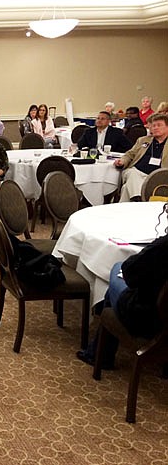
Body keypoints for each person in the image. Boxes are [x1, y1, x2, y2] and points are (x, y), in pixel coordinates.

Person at [76, 203, 168, 369]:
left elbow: (130, 273)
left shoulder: (163, 247)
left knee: (117, 270)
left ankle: (99, 355)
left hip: (149, 319)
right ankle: (98, 353)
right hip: (158, 312)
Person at [114, 113, 168, 202]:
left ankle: (133, 203)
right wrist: (122, 161)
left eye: (159, 125)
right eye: (153, 125)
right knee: (132, 172)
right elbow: (129, 154)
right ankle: (138, 199)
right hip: (136, 172)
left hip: (158, 176)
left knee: (126, 188)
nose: (155, 128)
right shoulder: (143, 140)